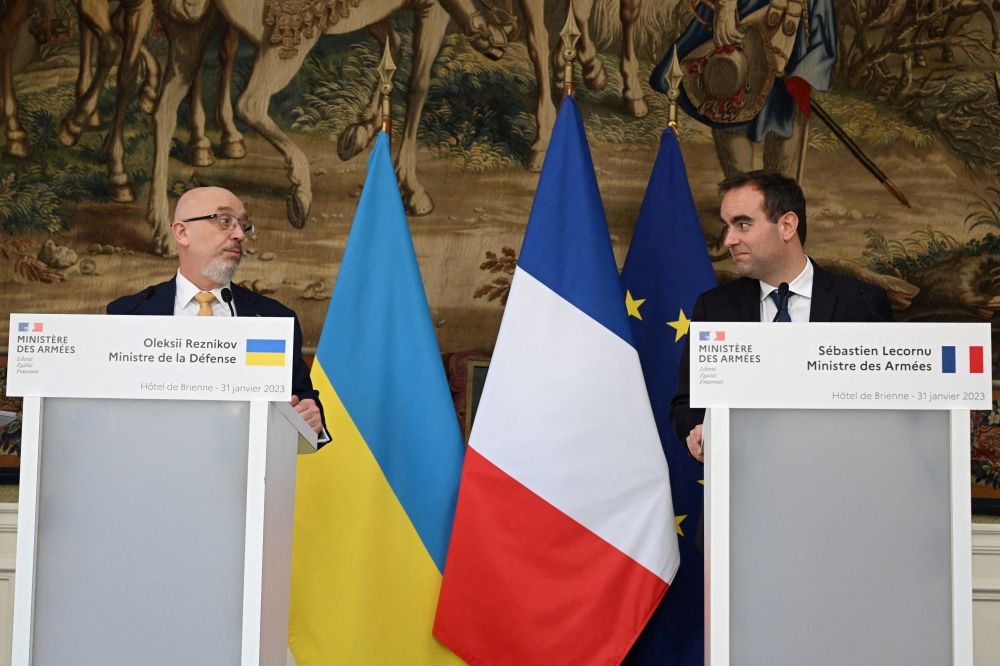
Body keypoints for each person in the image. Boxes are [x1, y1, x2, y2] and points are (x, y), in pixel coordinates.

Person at [671, 170, 892, 462]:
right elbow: (686, 401)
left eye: (743, 224)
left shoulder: (863, 304)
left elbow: (890, 402)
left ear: (787, 225)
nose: (729, 240)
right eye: (728, 227)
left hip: (841, 478)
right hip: (743, 484)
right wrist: (695, 430)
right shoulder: (715, 308)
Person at [107, 186, 329, 444]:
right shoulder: (128, 314)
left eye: (243, 225)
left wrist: (311, 418)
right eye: (225, 221)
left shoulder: (273, 318)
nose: (239, 235)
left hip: (244, 472)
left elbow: (302, 402)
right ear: (182, 232)